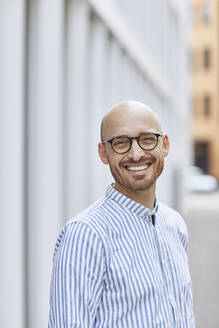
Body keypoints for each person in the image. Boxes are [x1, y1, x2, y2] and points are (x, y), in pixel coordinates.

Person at [48, 100, 195, 327]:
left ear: (164, 145)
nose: (135, 154)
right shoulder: (85, 235)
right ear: (103, 153)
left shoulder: (174, 225)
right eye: (121, 143)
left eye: (147, 139)